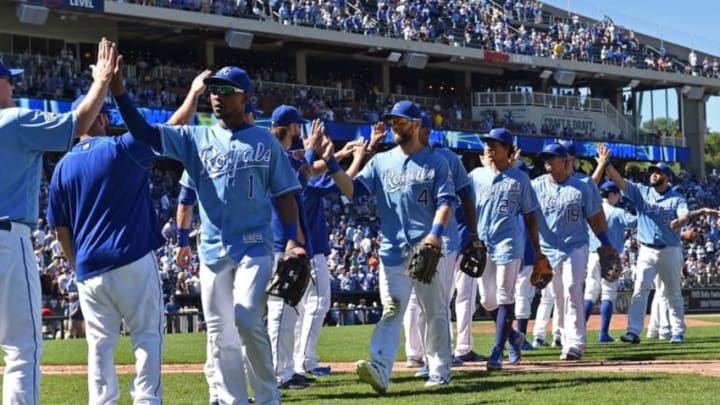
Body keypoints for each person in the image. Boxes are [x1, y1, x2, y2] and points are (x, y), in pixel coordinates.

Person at [113, 62, 302, 405]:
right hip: (213, 249)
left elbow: (285, 195)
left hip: (255, 246)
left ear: (245, 97)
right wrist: (119, 92)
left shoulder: (265, 143)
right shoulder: (195, 138)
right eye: (214, 90)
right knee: (219, 331)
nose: (217, 96)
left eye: (226, 91)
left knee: (246, 317)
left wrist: (291, 239)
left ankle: (267, 396)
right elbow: (145, 132)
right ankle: (232, 399)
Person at [47, 67, 210, 404]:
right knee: (147, 336)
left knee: (100, 344)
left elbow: (59, 228)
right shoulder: (123, 147)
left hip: (89, 268)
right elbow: (173, 126)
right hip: (132, 257)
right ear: (104, 119)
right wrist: (193, 94)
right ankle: (147, 400)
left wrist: (76, 265)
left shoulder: (62, 166)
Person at [0, 38, 116, 405]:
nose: (15, 85)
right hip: (7, 237)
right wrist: (101, 80)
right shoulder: (13, 120)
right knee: (22, 348)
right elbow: (79, 123)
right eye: (8, 80)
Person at [352, 100, 455, 393]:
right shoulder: (382, 161)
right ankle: (380, 369)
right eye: (393, 121)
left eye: (401, 121)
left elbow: (446, 201)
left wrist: (435, 234)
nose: (395, 126)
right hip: (392, 250)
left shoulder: (437, 161)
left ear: (417, 124)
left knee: (434, 310)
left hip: (427, 247)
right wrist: (337, 164)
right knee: (392, 308)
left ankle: (439, 370)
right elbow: (352, 189)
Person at [266, 105, 354, 390]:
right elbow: (305, 172)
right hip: (281, 242)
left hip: (285, 241)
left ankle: (286, 369)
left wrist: (326, 154)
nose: (301, 131)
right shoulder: (277, 156)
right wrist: (314, 150)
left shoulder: (281, 156)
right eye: (297, 126)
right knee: (281, 309)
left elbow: (307, 170)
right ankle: (280, 373)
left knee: (288, 309)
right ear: (291, 127)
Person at [597, 144, 718, 344]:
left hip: (669, 249)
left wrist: (681, 220)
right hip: (646, 249)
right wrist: (606, 164)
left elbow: (684, 213)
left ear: (667, 177)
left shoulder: (676, 198)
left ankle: (678, 331)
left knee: (672, 292)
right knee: (640, 289)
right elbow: (619, 181)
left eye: (658, 172)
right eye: (652, 171)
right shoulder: (642, 192)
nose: (653, 174)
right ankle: (633, 331)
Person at [404, 113, 479, 375]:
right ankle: (419, 354)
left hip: (444, 238)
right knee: (418, 300)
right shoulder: (401, 156)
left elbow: (467, 196)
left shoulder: (447, 157)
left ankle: (430, 356)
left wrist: (474, 233)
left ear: (425, 130)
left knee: (437, 299)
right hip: (413, 239)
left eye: (417, 126)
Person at [532, 143, 614, 360]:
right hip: (549, 249)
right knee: (558, 296)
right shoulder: (536, 186)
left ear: (565, 161)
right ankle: (564, 337)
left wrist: (605, 243)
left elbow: (595, 217)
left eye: (552, 157)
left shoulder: (582, 186)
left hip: (575, 245)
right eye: (545, 157)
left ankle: (575, 343)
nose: (547, 160)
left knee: (572, 289)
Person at [469, 128, 542, 370]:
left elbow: (530, 216)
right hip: (482, 243)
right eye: (488, 143)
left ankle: (497, 351)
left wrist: (538, 251)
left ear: (508, 150)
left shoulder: (519, 179)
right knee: (487, 299)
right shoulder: (476, 176)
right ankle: (513, 336)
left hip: (509, 243)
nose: (490, 147)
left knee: (503, 295)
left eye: (496, 144)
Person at [583, 180, 636, 342]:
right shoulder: (618, 212)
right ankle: (603, 334)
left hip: (592, 254)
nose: (619, 197)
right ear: (612, 194)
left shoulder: (591, 210)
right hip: (611, 255)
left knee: (590, 293)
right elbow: (634, 222)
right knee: (608, 294)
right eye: (617, 194)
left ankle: (579, 331)